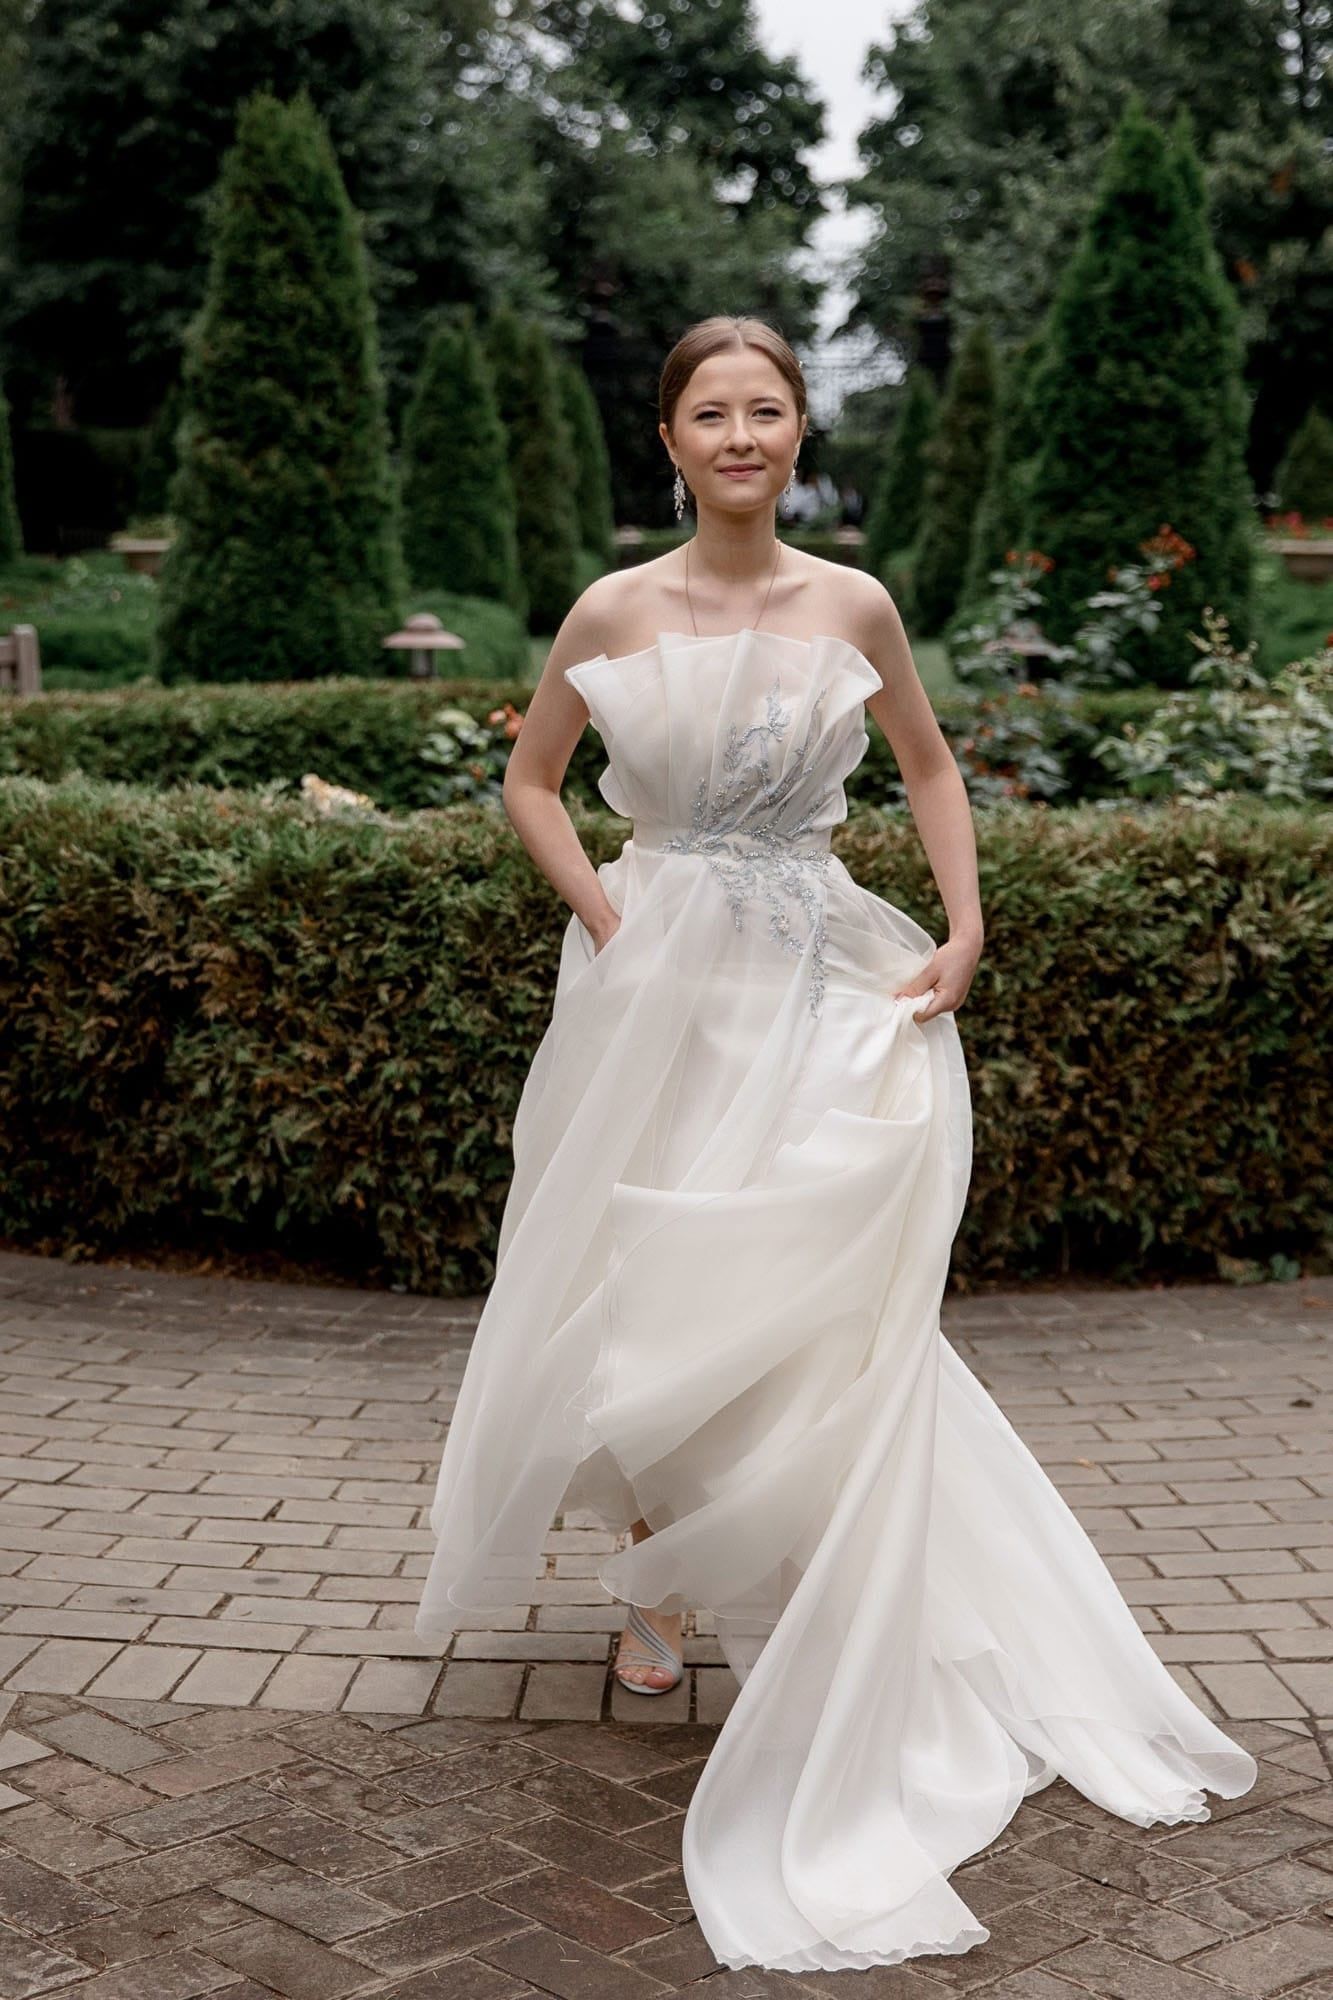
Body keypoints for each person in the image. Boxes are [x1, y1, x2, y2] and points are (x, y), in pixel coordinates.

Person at [414, 313, 1257, 1976]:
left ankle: (793, 1568)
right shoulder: (612, 608)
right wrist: (599, 907)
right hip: (656, 986)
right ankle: (656, 1585)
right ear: (669, 440)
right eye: (709, 413)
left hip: (817, 973)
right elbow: (529, 780)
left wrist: (962, 925)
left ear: (800, 434)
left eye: (767, 411)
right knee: (652, 1272)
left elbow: (931, 768)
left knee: (798, 1280)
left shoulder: (850, 604)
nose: (739, 436)